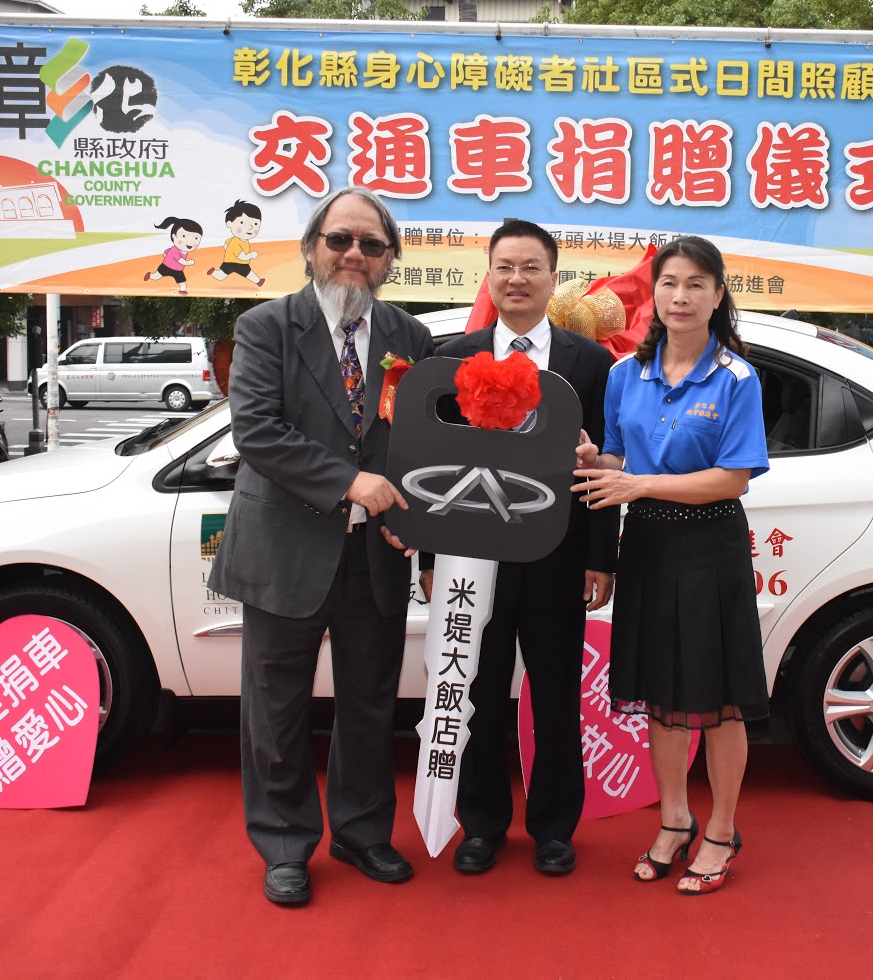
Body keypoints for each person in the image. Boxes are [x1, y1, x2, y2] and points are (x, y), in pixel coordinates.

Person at [208, 187, 435, 907]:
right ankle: (283, 843)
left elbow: (424, 443)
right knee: (275, 709)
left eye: (371, 244)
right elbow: (258, 431)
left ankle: (363, 833)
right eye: (340, 239)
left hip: (377, 557)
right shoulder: (265, 327)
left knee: (370, 704)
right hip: (285, 550)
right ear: (312, 248)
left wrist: (419, 524)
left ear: (389, 258)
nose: (354, 254)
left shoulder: (409, 336)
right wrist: (350, 482)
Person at [420, 219, 619, 877]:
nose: (517, 278)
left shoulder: (591, 363)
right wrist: (430, 558)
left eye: (531, 267)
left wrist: (601, 555)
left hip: (559, 553)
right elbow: (435, 464)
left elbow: (606, 463)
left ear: (553, 278)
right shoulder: (455, 356)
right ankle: (481, 825)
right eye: (505, 266)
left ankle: (554, 828)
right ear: (489, 276)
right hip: (473, 556)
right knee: (475, 690)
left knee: (556, 695)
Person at [573, 235, 770, 896]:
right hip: (649, 546)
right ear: (653, 293)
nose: (680, 296)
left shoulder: (736, 377)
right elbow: (619, 459)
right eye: (669, 283)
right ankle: (675, 818)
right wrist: (594, 459)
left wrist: (640, 484)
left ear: (718, 295)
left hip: (710, 547)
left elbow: (733, 477)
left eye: (695, 284)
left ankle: (722, 828)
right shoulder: (625, 374)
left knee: (719, 702)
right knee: (662, 697)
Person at [210, 198, 267, 288]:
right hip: (235, 263)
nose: (250, 227)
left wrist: (229, 251)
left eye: (255, 224)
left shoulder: (240, 240)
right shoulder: (236, 243)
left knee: (223, 275)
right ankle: (258, 281)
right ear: (229, 224)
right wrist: (251, 255)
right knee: (248, 273)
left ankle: (258, 281)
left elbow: (226, 243)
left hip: (231, 261)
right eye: (242, 222)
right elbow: (241, 256)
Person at [145, 215, 201, 295]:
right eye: (184, 236)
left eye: (196, 238)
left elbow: (165, 252)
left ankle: (182, 290)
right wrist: (189, 262)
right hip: (166, 267)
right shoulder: (174, 250)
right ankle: (150, 275)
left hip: (178, 270)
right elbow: (181, 260)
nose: (190, 241)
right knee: (156, 276)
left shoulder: (183, 250)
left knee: (182, 282)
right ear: (174, 236)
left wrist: (166, 256)